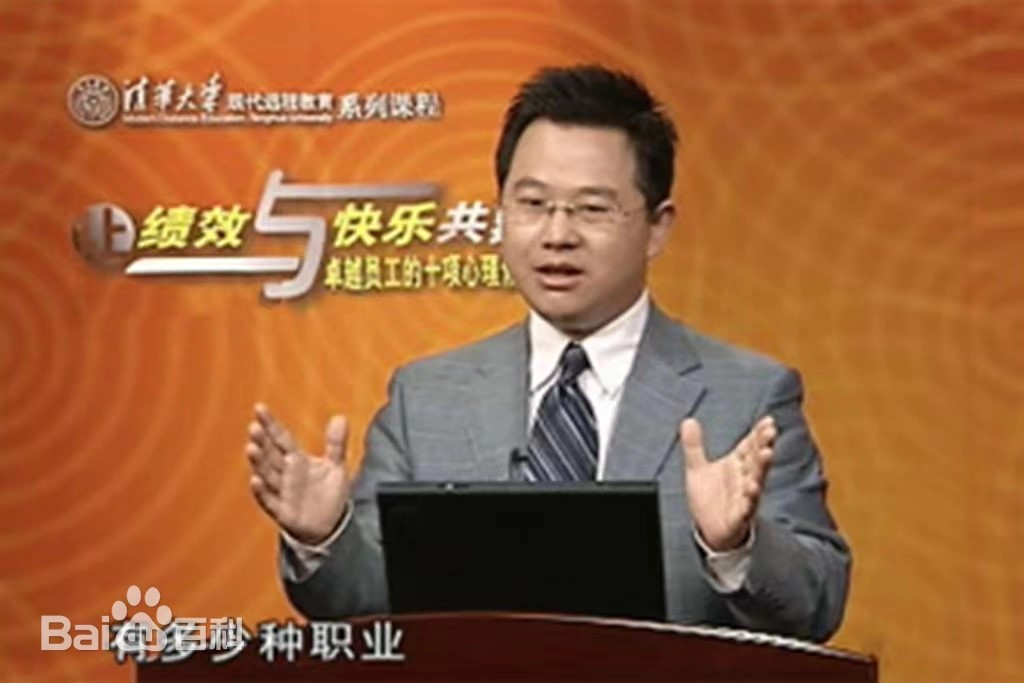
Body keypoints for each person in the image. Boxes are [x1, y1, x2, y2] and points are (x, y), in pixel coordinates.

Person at [245, 64, 851, 643]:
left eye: (592, 209)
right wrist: (325, 537)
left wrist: (735, 546)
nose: (557, 235)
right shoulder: (425, 397)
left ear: (657, 227)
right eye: (532, 204)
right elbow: (366, 602)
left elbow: (819, 600)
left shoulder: (747, 396)